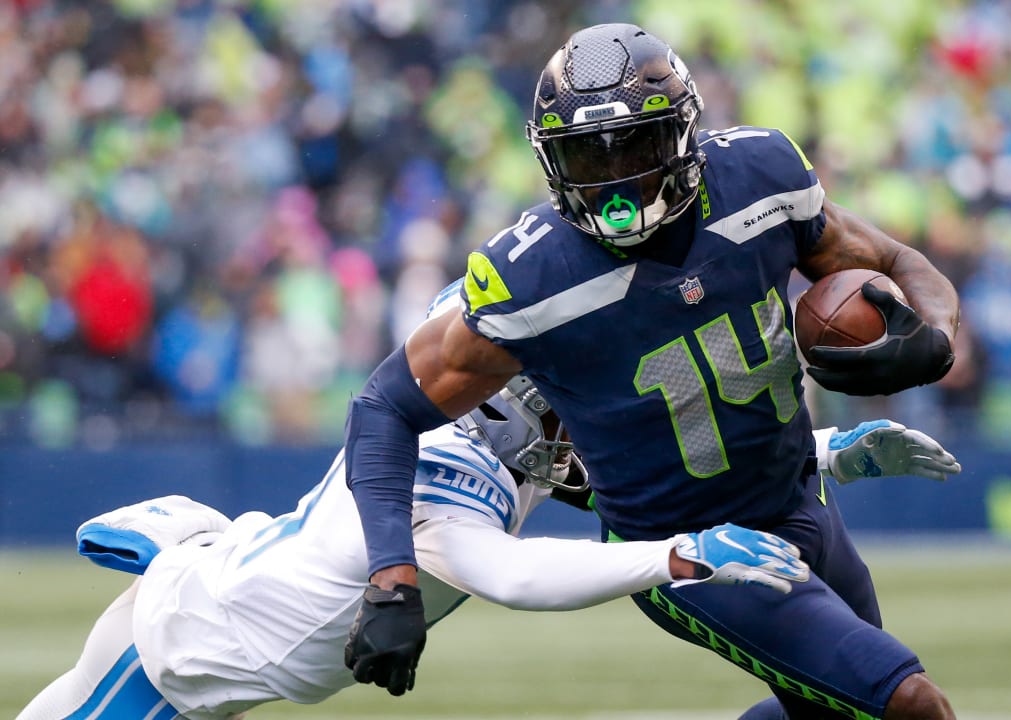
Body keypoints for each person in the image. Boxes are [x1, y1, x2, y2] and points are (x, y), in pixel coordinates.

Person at [342, 23, 962, 719]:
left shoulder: (760, 180)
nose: (613, 182)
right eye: (585, 156)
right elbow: (385, 406)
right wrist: (390, 575)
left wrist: (935, 336)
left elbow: (897, 262)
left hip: (800, 502)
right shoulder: (533, 277)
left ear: (683, 131)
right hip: (686, 553)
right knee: (911, 704)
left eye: (634, 147)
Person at [17, 369, 814, 720]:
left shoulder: (501, 443)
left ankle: (187, 538)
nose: (585, 436)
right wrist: (680, 555)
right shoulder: (451, 472)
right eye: (567, 416)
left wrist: (826, 451)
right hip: (174, 652)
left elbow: (641, 463)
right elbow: (515, 574)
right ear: (509, 411)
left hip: (239, 637)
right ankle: (180, 544)